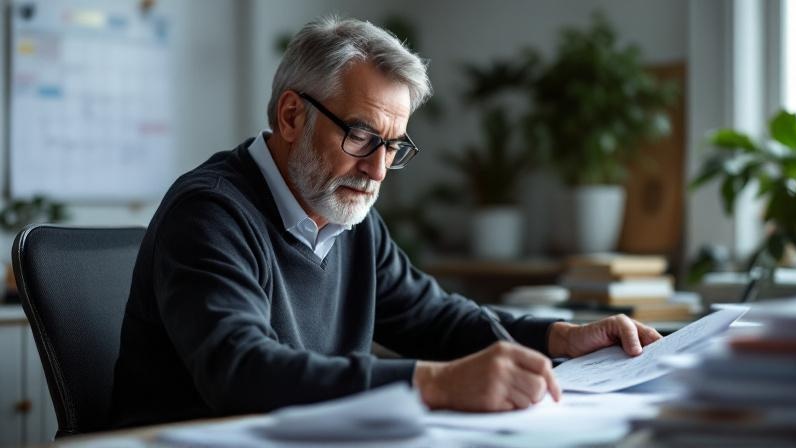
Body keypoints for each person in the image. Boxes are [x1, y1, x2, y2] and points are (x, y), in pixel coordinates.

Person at [110, 16, 662, 428]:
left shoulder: (348, 218)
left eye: (393, 146)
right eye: (361, 136)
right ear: (291, 116)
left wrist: (561, 337)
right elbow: (242, 372)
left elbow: (434, 318)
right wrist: (435, 383)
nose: (377, 170)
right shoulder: (210, 214)